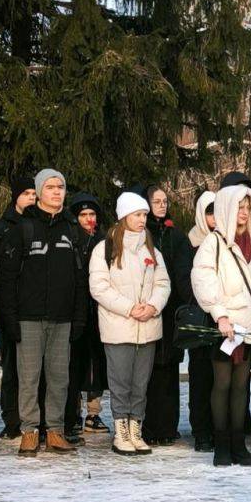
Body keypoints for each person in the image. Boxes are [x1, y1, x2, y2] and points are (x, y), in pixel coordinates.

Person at [0, 168, 88, 457]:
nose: (56, 192)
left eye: (60, 186)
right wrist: (10, 318)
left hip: (62, 318)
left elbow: (80, 279)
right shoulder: (22, 229)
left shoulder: (71, 229)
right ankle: (29, 431)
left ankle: (55, 430)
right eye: (50, 187)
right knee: (29, 377)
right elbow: (8, 278)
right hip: (29, 318)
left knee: (59, 378)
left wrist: (79, 317)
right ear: (38, 192)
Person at [192, 184, 251, 466]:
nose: (243, 213)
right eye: (239, 207)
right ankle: (221, 444)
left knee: (242, 385)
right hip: (226, 325)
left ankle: (237, 442)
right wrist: (219, 314)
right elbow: (204, 279)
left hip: (249, 324)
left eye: (247, 208)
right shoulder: (214, 243)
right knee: (222, 383)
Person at [89, 193, 171, 456]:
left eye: (144, 215)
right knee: (120, 382)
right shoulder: (106, 248)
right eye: (137, 214)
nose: (142, 220)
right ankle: (120, 430)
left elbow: (163, 283)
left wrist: (153, 306)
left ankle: (136, 428)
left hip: (147, 327)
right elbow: (99, 287)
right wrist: (129, 308)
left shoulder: (151, 249)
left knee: (140, 383)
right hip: (119, 326)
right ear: (124, 216)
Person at [0, 176, 36, 439]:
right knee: (12, 369)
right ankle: (11, 419)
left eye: (33, 193)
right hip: (9, 308)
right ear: (16, 196)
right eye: (26, 193)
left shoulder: (40, 226)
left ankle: (35, 419)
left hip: (37, 308)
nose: (31, 197)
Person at [140, 184, 192, 446]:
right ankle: (148, 427)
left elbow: (183, 273)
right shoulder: (141, 233)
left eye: (164, 200)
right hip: (144, 309)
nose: (162, 205)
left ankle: (168, 426)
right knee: (147, 370)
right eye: (156, 200)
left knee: (169, 370)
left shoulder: (176, 236)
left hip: (170, 310)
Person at [65, 192, 109, 438]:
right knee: (75, 364)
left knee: (97, 365)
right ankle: (75, 412)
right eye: (83, 215)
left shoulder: (104, 240)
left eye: (92, 214)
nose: (89, 219)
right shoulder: (71, 240)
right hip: (75, 311)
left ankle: (94, 411)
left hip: (99, 312)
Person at [186, 189, 216, 452]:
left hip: (224, 317)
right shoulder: (192, 241)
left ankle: (221, 426)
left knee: (222, 375)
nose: (214, 217)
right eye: (209, 211)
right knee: (200, 375)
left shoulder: (228, 240)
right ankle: (201, 430)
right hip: (199, 317)